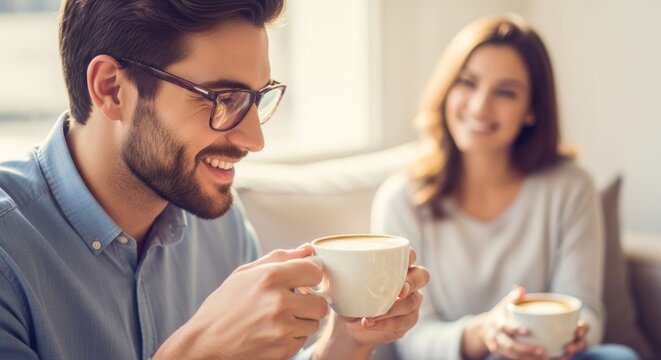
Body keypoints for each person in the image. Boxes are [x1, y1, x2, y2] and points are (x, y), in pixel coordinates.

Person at [0, 1, 429, 359]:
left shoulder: (217, 220)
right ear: (112, 89)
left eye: (256, 99)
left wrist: (347, 339)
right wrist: (200, 349)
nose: (254, 139)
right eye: (224, 99)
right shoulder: (9, 253)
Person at [371, 14, 638, 360]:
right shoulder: (402, 199)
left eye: (506, 92)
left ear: (532, 110)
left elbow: (585, 309)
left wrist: (574, 335)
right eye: (467, 83)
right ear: (447, 89)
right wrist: (487, 333)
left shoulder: (571, 187)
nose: (480, 106)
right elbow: (412, 339)